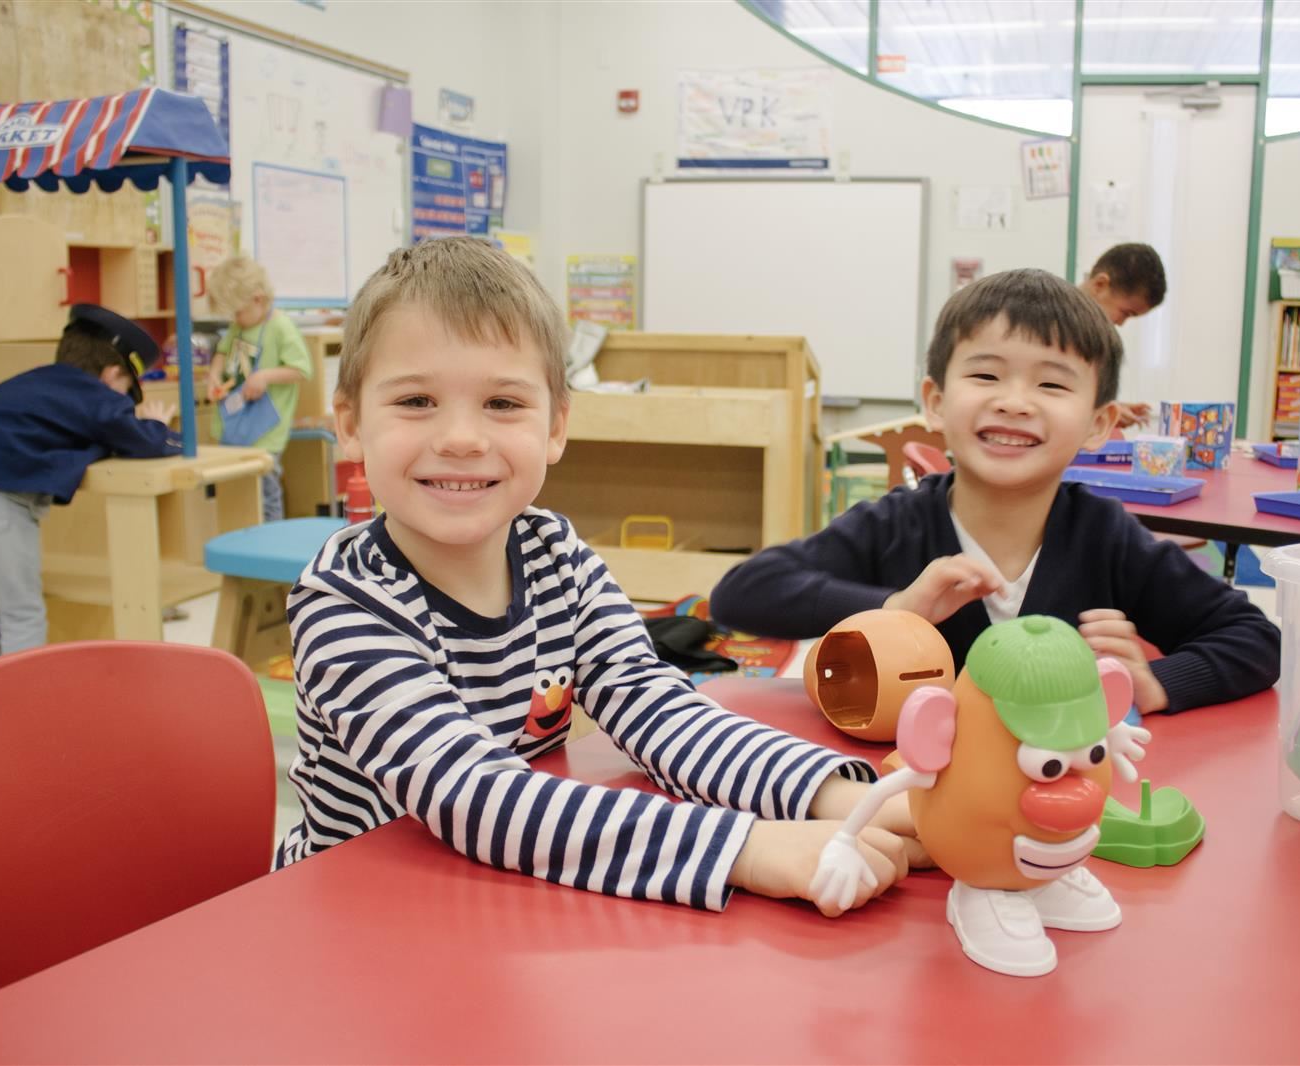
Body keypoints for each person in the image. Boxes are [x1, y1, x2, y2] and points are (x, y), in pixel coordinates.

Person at [276, 236, 915, 916]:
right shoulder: (345, 604)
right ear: (349, 424)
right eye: (415, 402)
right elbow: (472, 796)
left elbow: (653, 706)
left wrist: (841, 798)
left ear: (555, 427)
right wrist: (748, 848)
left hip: (505, 899)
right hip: (365, 919)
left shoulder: (559, 558)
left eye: (501, 404)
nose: (461, 437)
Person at [711, 269, 1279, 716]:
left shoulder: (1106, 538)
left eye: (1052, 383)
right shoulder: (897, 525)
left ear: (1098, 424)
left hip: (1061, 813)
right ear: (935, 401)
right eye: (985, 376)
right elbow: (743, 593)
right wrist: (896, 610)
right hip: (903, 795)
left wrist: (1156, 683)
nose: (1014, 401)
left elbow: (1257, 639)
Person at [0, 304, 180, 667]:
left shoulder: (32, 381)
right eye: (127, 390)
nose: (124, 401)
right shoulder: (94, 393)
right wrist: (159, 426)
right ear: (111, 374)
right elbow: (141, 441)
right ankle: (21, 718)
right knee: (20, 614)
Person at [206, 256, 313, 523]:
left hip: (265, 431)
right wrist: (214, 375)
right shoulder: (239, 326)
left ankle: (270, 547)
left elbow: (302, 370)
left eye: (238, 312)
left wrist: (265, 376)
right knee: (234, 492)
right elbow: (221, 351)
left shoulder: (280, 327)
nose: (236, 320)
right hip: (233, 423)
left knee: (265, 492)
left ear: (258, 299)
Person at [1080, 242, 1168, 430]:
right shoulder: (1050, 326)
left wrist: (1108, 409)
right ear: (1100, 284)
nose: (1120, 323)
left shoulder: (1094, 334)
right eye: (1126, 313)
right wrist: (1099, 414)